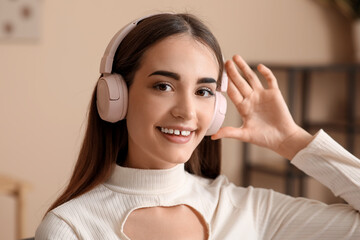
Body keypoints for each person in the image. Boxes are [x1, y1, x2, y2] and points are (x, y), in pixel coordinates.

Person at [35, 13, 360, 239]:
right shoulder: (71, 227)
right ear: (116, 95)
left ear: (217, 109)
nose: (187, 111)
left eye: (204, 91)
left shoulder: (247, 210)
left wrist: (291, 140)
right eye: (163, 86)